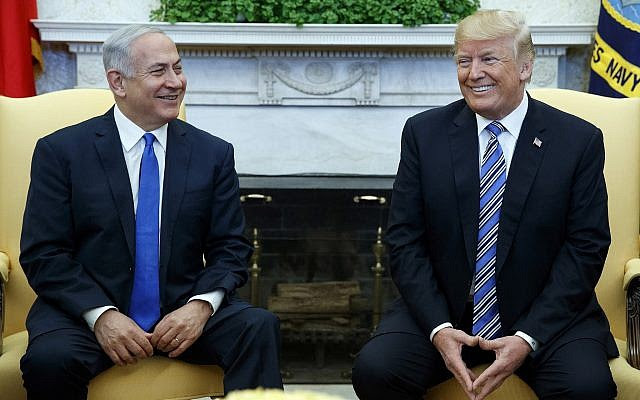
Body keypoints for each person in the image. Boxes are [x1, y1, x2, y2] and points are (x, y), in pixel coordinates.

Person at [352, 9, 618, 400]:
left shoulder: (577, 141)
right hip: (444, 311)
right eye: (464, 60)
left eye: (489, 59)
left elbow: (586, 248)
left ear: (526, 67)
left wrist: (528, 337)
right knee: (376, 371)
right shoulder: (424, 134)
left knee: (588, 388)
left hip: (547, 319)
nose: (473, 73)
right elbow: (405, 241)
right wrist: (439, 328)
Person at [19, 25, 283, 399]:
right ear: (118, 82)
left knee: (258, 327)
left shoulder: (213, 154)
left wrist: (200, 307)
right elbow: (44, 253)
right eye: (159, 71)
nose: (175, 81)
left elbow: (231, 248)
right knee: (50, 359)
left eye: (178, 68)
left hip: (181, 310)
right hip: (85, 313)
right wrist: (102, 315)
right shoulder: (61, 152)